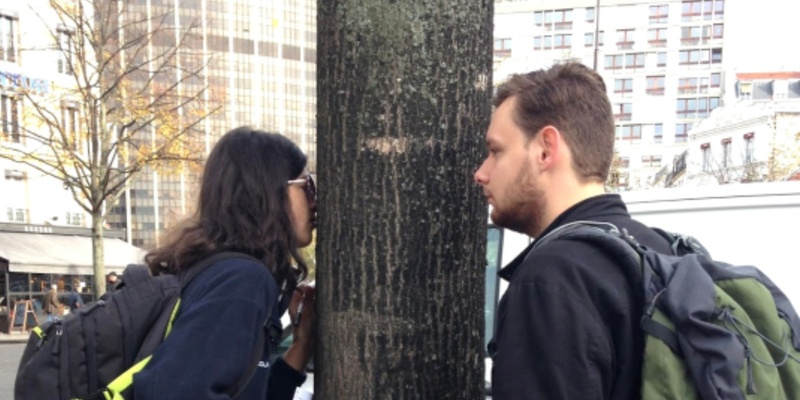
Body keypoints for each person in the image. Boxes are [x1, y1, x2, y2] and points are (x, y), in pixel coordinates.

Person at [474, 62, 673, 399]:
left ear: (546, 149)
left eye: (495, 152)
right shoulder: (662, 251)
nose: (481, 173)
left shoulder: (550, 280)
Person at [133, 127, 317, 400]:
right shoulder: (242, 280)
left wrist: (301, 345)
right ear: (269, 191)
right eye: (308, 187)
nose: (316, 203)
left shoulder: (210, 270)